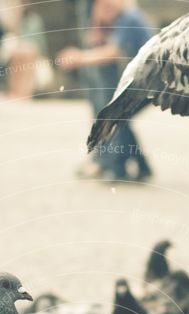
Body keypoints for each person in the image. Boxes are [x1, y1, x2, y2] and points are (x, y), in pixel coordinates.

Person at [58, 0, 156, 182]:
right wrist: (98, 24)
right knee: (119, 119)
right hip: (148, 83)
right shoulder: (122, 17)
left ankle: (118, 168)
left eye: (105, 6)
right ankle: (141, 167)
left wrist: (79, 58)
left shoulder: (129, 17)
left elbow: (113, 52)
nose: (102, 10)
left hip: (152, 85)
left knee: (115, 117)